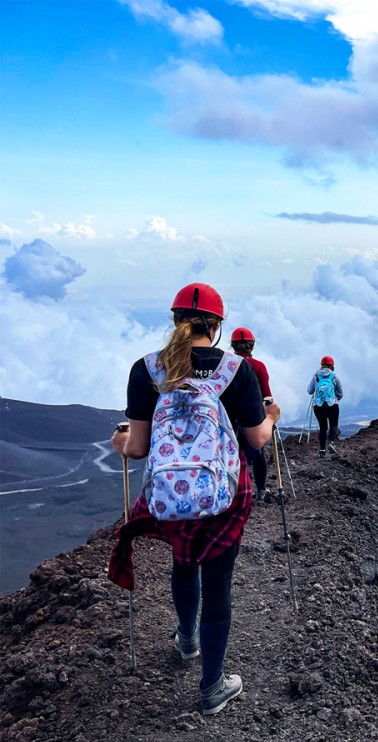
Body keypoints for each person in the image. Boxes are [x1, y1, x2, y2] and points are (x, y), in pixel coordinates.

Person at [108, 282, 281, 716]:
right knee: (218, 580)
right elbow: (256, 438)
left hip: (171, 494)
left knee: (183, 565)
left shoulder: (146, 369)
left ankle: (186, 640)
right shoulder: (236, 370)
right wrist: (273, 418)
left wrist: (119, 441)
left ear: (174, 320)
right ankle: (213, 686)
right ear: (217, 326)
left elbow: (139, 447)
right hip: (224, 492)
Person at [230, 327, 272, 502]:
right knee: (258, 453)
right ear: (251, 345)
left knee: (232, 456)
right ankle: (261, 491)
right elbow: (267, 395)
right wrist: (271, 417)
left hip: (229, 419)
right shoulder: (258, 366)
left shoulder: (225, 364)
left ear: (233, 345)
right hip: (253, 418)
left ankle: (235, 493)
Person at [307, 356, 343, 455]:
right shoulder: (335, 376)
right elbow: (340, 393)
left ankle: (322, 450)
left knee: (323, 427)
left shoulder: (316, 376)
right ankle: (331, 443)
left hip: (318, 406)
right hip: (333, 405)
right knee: (333, 425)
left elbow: (310, 391)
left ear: (321, 365)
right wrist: (335, 399)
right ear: (332, 365)